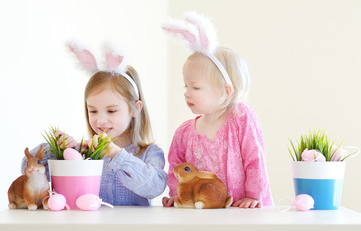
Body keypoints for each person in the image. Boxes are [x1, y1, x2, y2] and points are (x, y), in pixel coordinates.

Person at [22, 42, 167, 206]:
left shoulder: (150, 153)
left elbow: (155, 187)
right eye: (93, 111)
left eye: (111, 111)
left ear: (135, 108)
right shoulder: (83, 154)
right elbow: (26, 169)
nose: (100, 120)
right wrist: (59, 151)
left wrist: (117, 155)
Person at [161, 12, 273, 208]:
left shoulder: (242, 118)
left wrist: (254, 196)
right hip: (202, 216)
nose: (187, 93)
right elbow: (175, 169)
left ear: (225, 91)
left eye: (195, 87)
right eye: (185, 86)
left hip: (243, 212)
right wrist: (176, 195)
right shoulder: (184, 133)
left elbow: (255, 160)